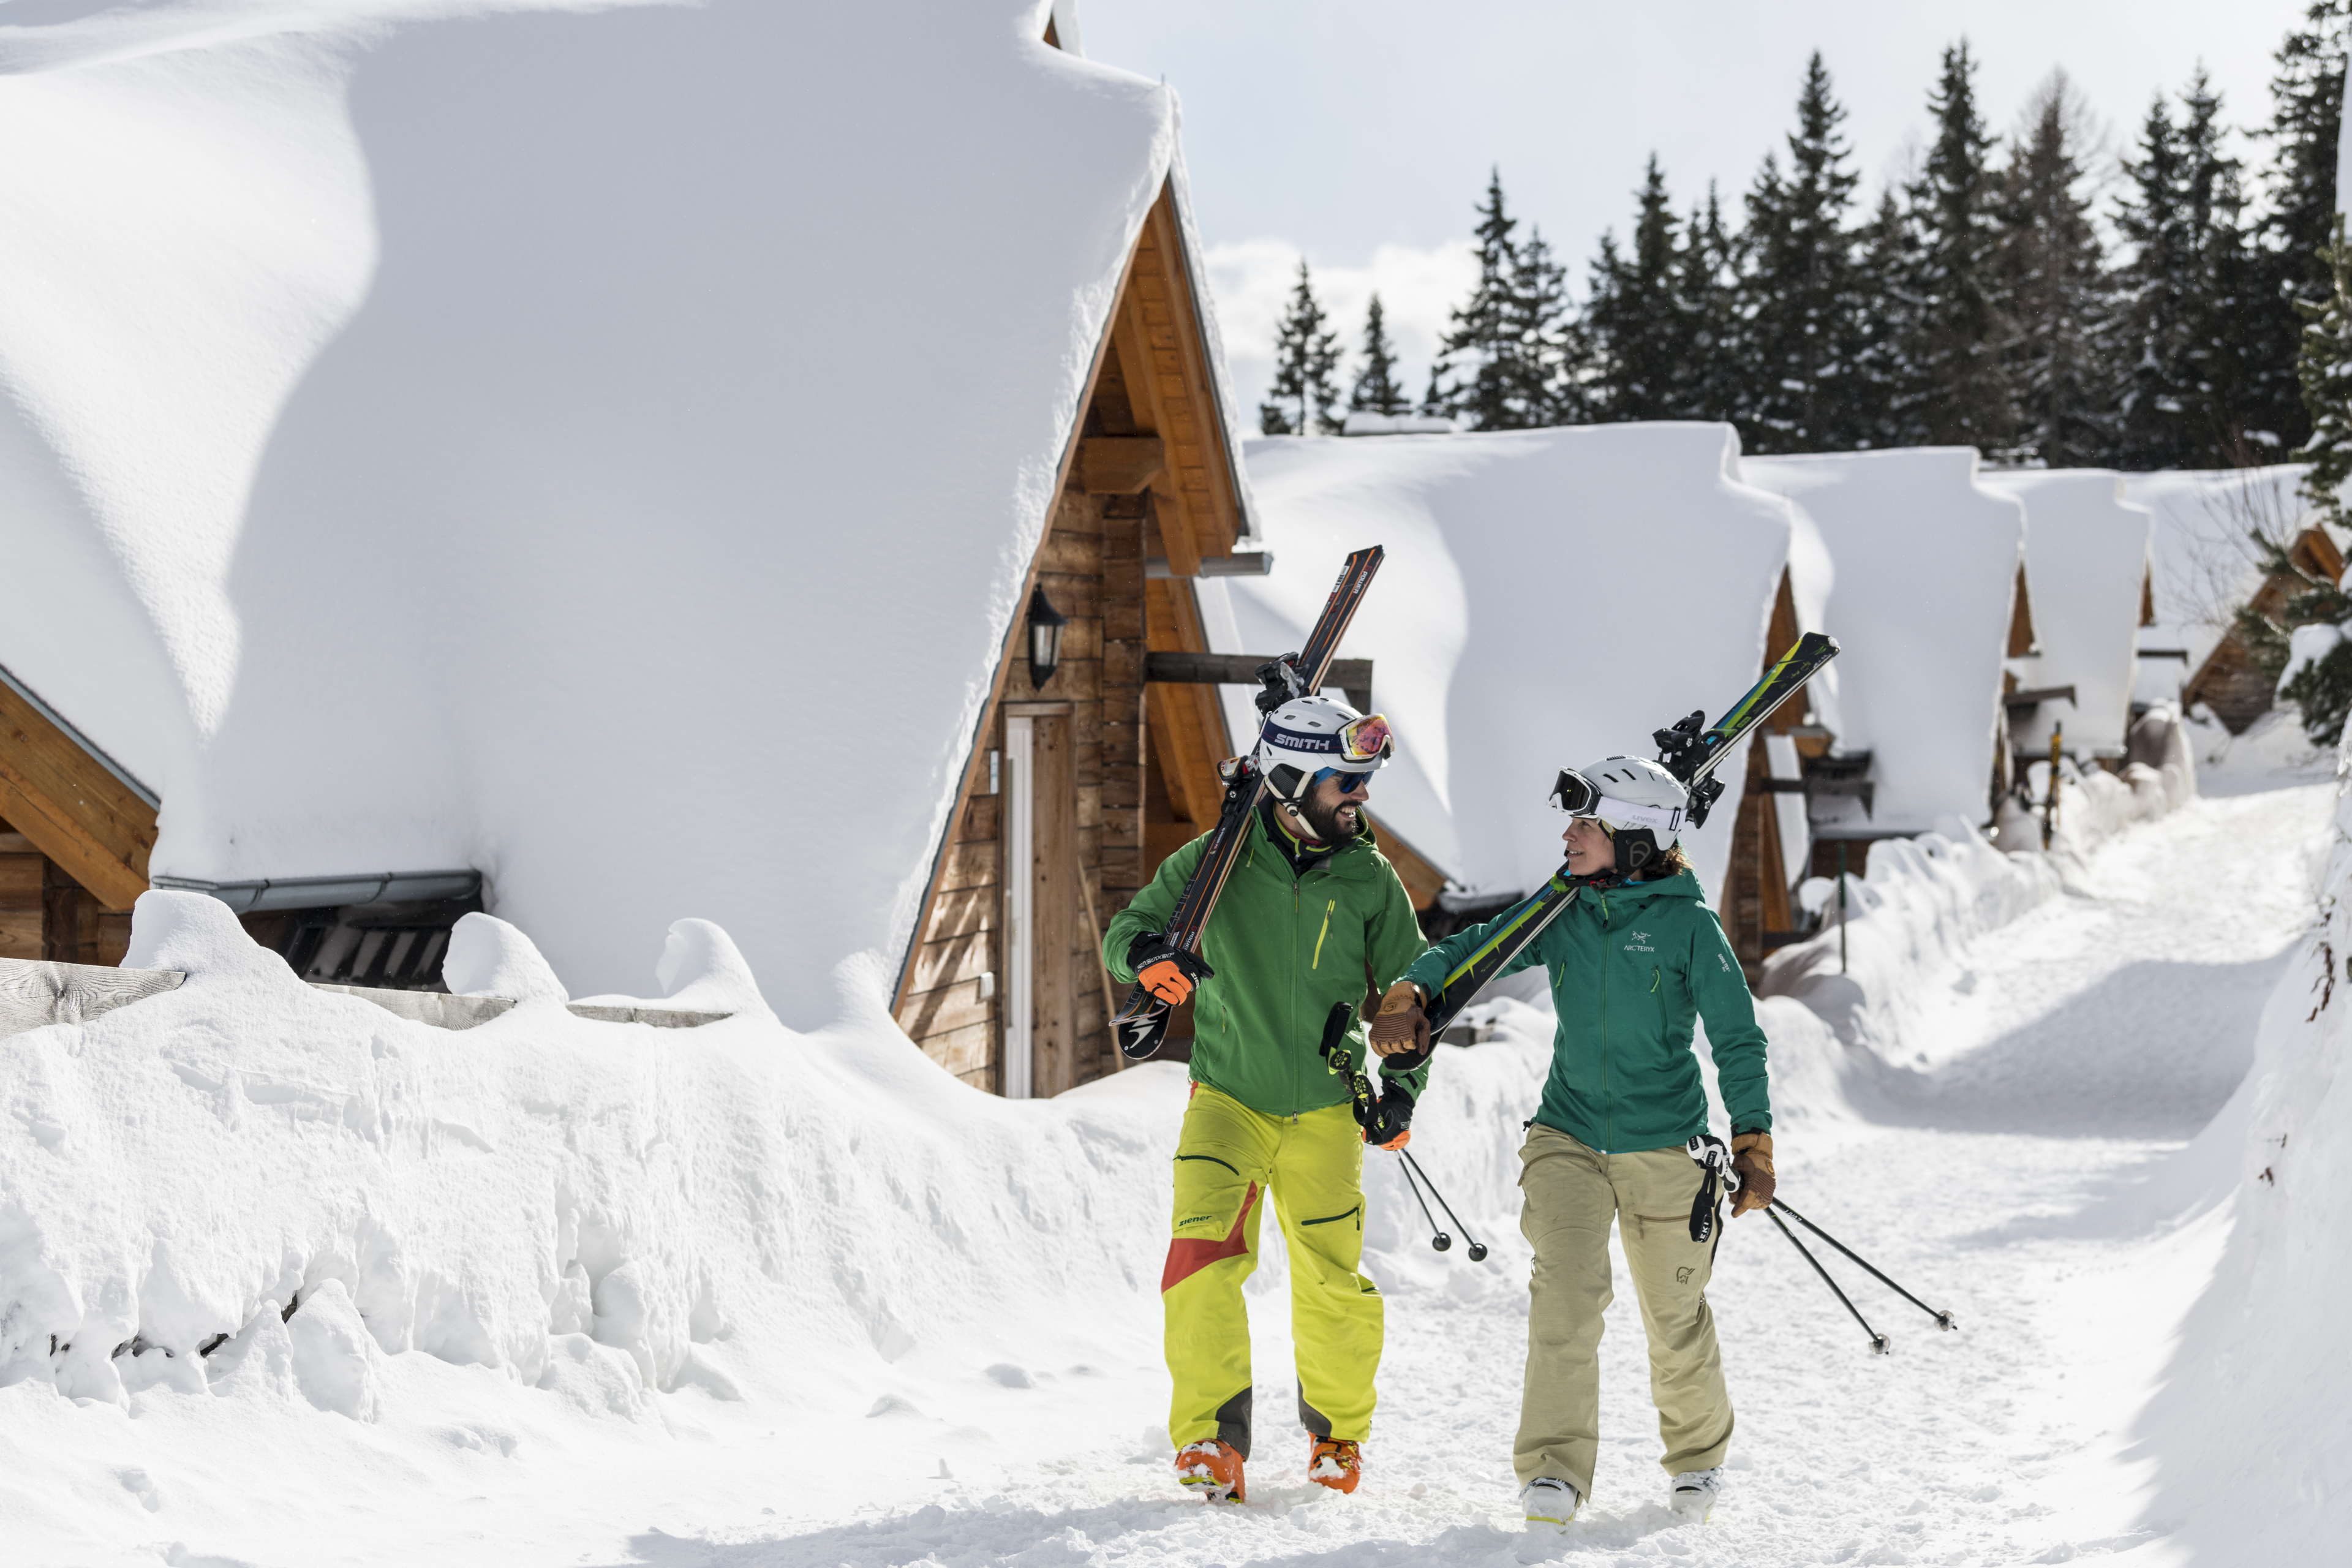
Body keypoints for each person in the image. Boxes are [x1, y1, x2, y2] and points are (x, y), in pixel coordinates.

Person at [1368, 755, 1776, 1528]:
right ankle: (1553, 1471)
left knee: (1674, 1315)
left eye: (1586, 824)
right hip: (1568, 1135)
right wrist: (1411, 989)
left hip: (1668, 1145)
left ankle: (1697, 1458)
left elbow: (1738, 1039)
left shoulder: (1690, 926)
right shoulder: (1563, 911)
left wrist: (1753, 1140)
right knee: (1564, 1302)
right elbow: (1471, 949)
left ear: (1635, 837)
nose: (1568, 835)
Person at [1103, 695, 1430, 1504]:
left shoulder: (1370, 877)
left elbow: (1413, 992)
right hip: (1228, 1097)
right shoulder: (1215, 861)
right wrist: (1149, 958)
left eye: (1362, 781)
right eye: (1345, 782)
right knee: (1199, 1258)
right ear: (1290, 782)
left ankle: (1338, 1438)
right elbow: (1127, 932)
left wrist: (1400, 1091)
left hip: (1326, 1106)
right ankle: (1211, 1441)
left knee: (1331, 1279)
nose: (1361, 795)